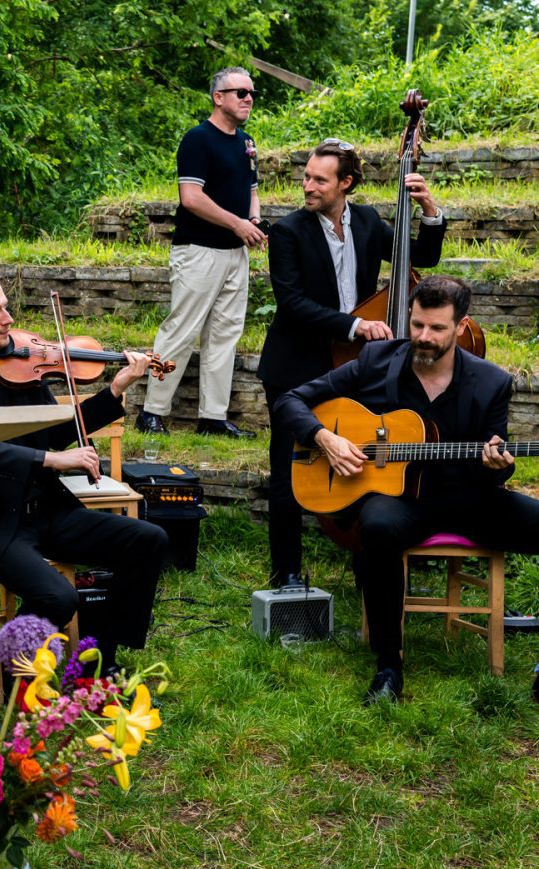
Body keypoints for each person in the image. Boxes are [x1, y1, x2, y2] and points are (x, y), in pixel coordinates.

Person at [276, 276, 539, 704]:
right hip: (398, 499)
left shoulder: (491, 382)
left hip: (467, 499)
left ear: (460, 326)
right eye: (417, 324)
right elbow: (290, 400)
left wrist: (497, 467)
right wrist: (325, 438)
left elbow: (493, 467)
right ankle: (388, 667)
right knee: (377, 527)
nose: (423, 337)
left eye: (436, 328)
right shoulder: (376, 359)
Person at [0, 260, 169, 673]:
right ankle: (10, 663)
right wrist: (50, 460)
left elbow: (54, 433)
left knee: (149, 541)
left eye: (5, 307)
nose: (8, 319)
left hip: (48, 510)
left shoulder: (21, 365)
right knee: (58, 597)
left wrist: (114, 390)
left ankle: (100, 659)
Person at [260, 139, 445, 588]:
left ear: (346, 183)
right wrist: (355, 326)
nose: (307, 186)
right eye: (306, 176)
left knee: (366, 458)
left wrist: (429, 210)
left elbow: (421, 257)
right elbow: (292, 303)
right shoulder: (288, 231)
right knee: (291, 462)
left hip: (353, 364)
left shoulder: (365, 221)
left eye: (318, 180)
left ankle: (370, 562)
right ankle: (285, 570)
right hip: (297, 361)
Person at [136, 67, 265, 439]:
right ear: (218, 97)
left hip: (234, 255)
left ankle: (213, 418)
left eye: (251, 92)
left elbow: (251, 189)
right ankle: (152, 411)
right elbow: (190, 198)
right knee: (181, 330)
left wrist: (253, 220)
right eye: (239, 91)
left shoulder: (246, 142)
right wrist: (237, 224)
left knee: (225, 335)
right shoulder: (197, 139)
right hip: (198, 252)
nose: (248, 98)